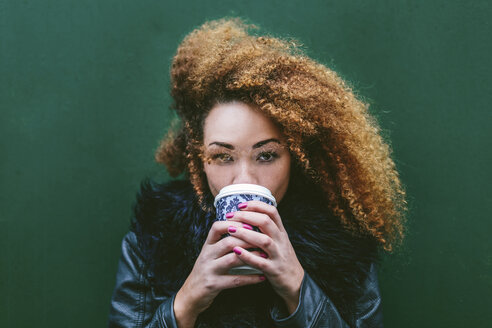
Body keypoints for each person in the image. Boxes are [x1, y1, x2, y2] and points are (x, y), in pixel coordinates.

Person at [108, 17, 407, 328]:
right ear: (198, 161)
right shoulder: (152, 239)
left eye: (266, 155)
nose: (245, 179)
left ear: (295, 157)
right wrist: (187, 300)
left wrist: (297, 286)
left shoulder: (344, 244)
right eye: (223, 157)